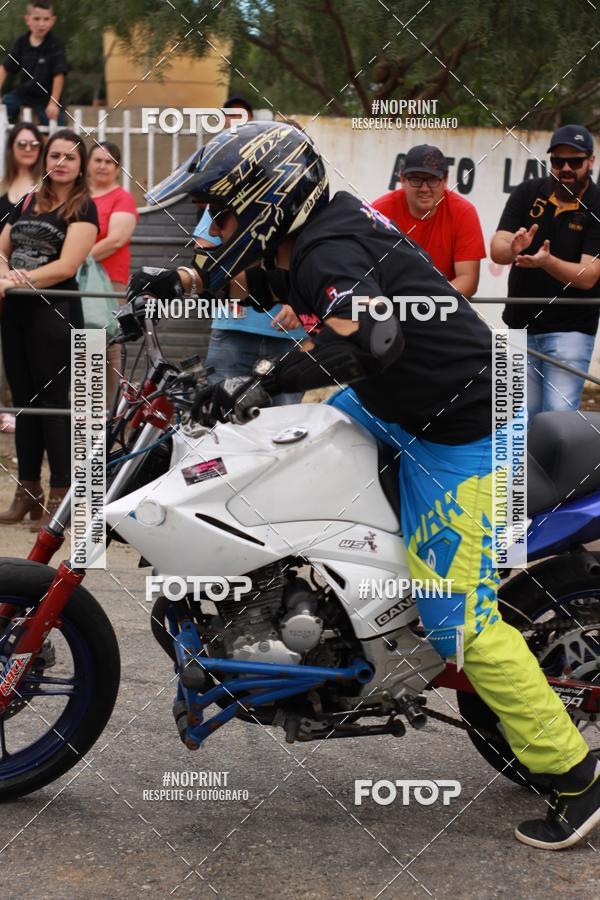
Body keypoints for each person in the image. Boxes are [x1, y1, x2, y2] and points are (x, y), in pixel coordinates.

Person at [130, 121, 599, 850]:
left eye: (220, 212)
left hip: (462, 429)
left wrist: (263, 380)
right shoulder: (305, 231)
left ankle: (576, 777)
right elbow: (250, 269)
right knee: (281, 463)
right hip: (393, 404)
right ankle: (332, 610)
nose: (211, 227)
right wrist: (178, 283)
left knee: (459, 622)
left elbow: (372, 337)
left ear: (265, 201)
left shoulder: (327, 248)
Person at [0, 128, 98, 526]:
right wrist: (4, 276)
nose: (60, 163)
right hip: (16, 312)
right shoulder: (27, 201)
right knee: (24, 404)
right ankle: (27, 492)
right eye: (54, 155)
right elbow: (2, 247)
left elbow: (66, 267)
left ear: (80, 166)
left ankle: (62, 496)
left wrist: (14, 281)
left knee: (54, 405)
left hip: (54, 311)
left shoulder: (84, 207)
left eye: (69, 157)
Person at [199, 98, 306, 404]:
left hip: (290, 335)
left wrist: (301, 303)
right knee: (218, 422)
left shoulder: (313, 206)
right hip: (234, 327)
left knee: (280, 433)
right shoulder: (231, 196)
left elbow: (321, 271)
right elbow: (204, 254)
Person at [491, 125, 600, 420]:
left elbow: (589, 276)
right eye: (557, 161)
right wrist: (513, 248)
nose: (565, 168)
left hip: (571, 331)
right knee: (514, 422)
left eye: (575, 162)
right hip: (518, 325)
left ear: (591, 161)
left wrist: (546, 262)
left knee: (557, 423)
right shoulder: (527, 193)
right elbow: (497, 250)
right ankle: (518, 470)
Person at [372, 144, 486, 298]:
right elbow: (364, 270)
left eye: (433, 180)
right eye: (416, 179)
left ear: (445, 180)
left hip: (441, 308)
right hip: (390, 305)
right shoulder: (379, 212)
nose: (424, 188)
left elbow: (468, 280)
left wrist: (426, 304)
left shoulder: (464, 212)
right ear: (402, 179)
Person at [0, 121, 43, 433]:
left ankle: (25, 412)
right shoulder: (1, 187)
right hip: (2, 274)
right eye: (21, 144)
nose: (28, 149)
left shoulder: (45, 189)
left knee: (27, 351)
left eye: (34, 144)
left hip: (31, 280)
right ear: (11, 148)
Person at [88, 140, 138, 401]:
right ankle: (83, 406)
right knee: (82, 343)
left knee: (108, 345)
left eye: (109, 161)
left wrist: (74, 260)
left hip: (109, 281)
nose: (103, 166)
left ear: (117, 168)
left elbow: (116, 240)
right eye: (97, 160)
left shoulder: (122, 198)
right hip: (73, 280)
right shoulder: (79, 196)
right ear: (88, 163)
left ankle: (109, 409)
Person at [0, 0, 68, 126]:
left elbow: (59, 75)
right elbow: (4, 68)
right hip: (24, 93)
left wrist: (53, 103)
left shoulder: (55, 44)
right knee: (4, 109)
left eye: (46, 19)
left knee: (55, 124)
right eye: (36, 19)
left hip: (46, 97)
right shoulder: (21, 42)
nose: (41, 24)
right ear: (27, 20)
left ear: (52, 20)